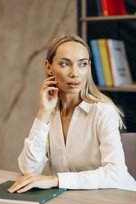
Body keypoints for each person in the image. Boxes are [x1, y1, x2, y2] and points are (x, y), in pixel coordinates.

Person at [8, 34, 136, 193]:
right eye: (65, 64)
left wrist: (56, 179)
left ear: (88, 67)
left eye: (82, 64)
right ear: (48, 67)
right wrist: (43, 113)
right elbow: (28, 169)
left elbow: (116, 173)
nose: (75, 73)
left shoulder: (103, 112)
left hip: (115, 201)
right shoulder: (51, 112)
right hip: (71, 201)